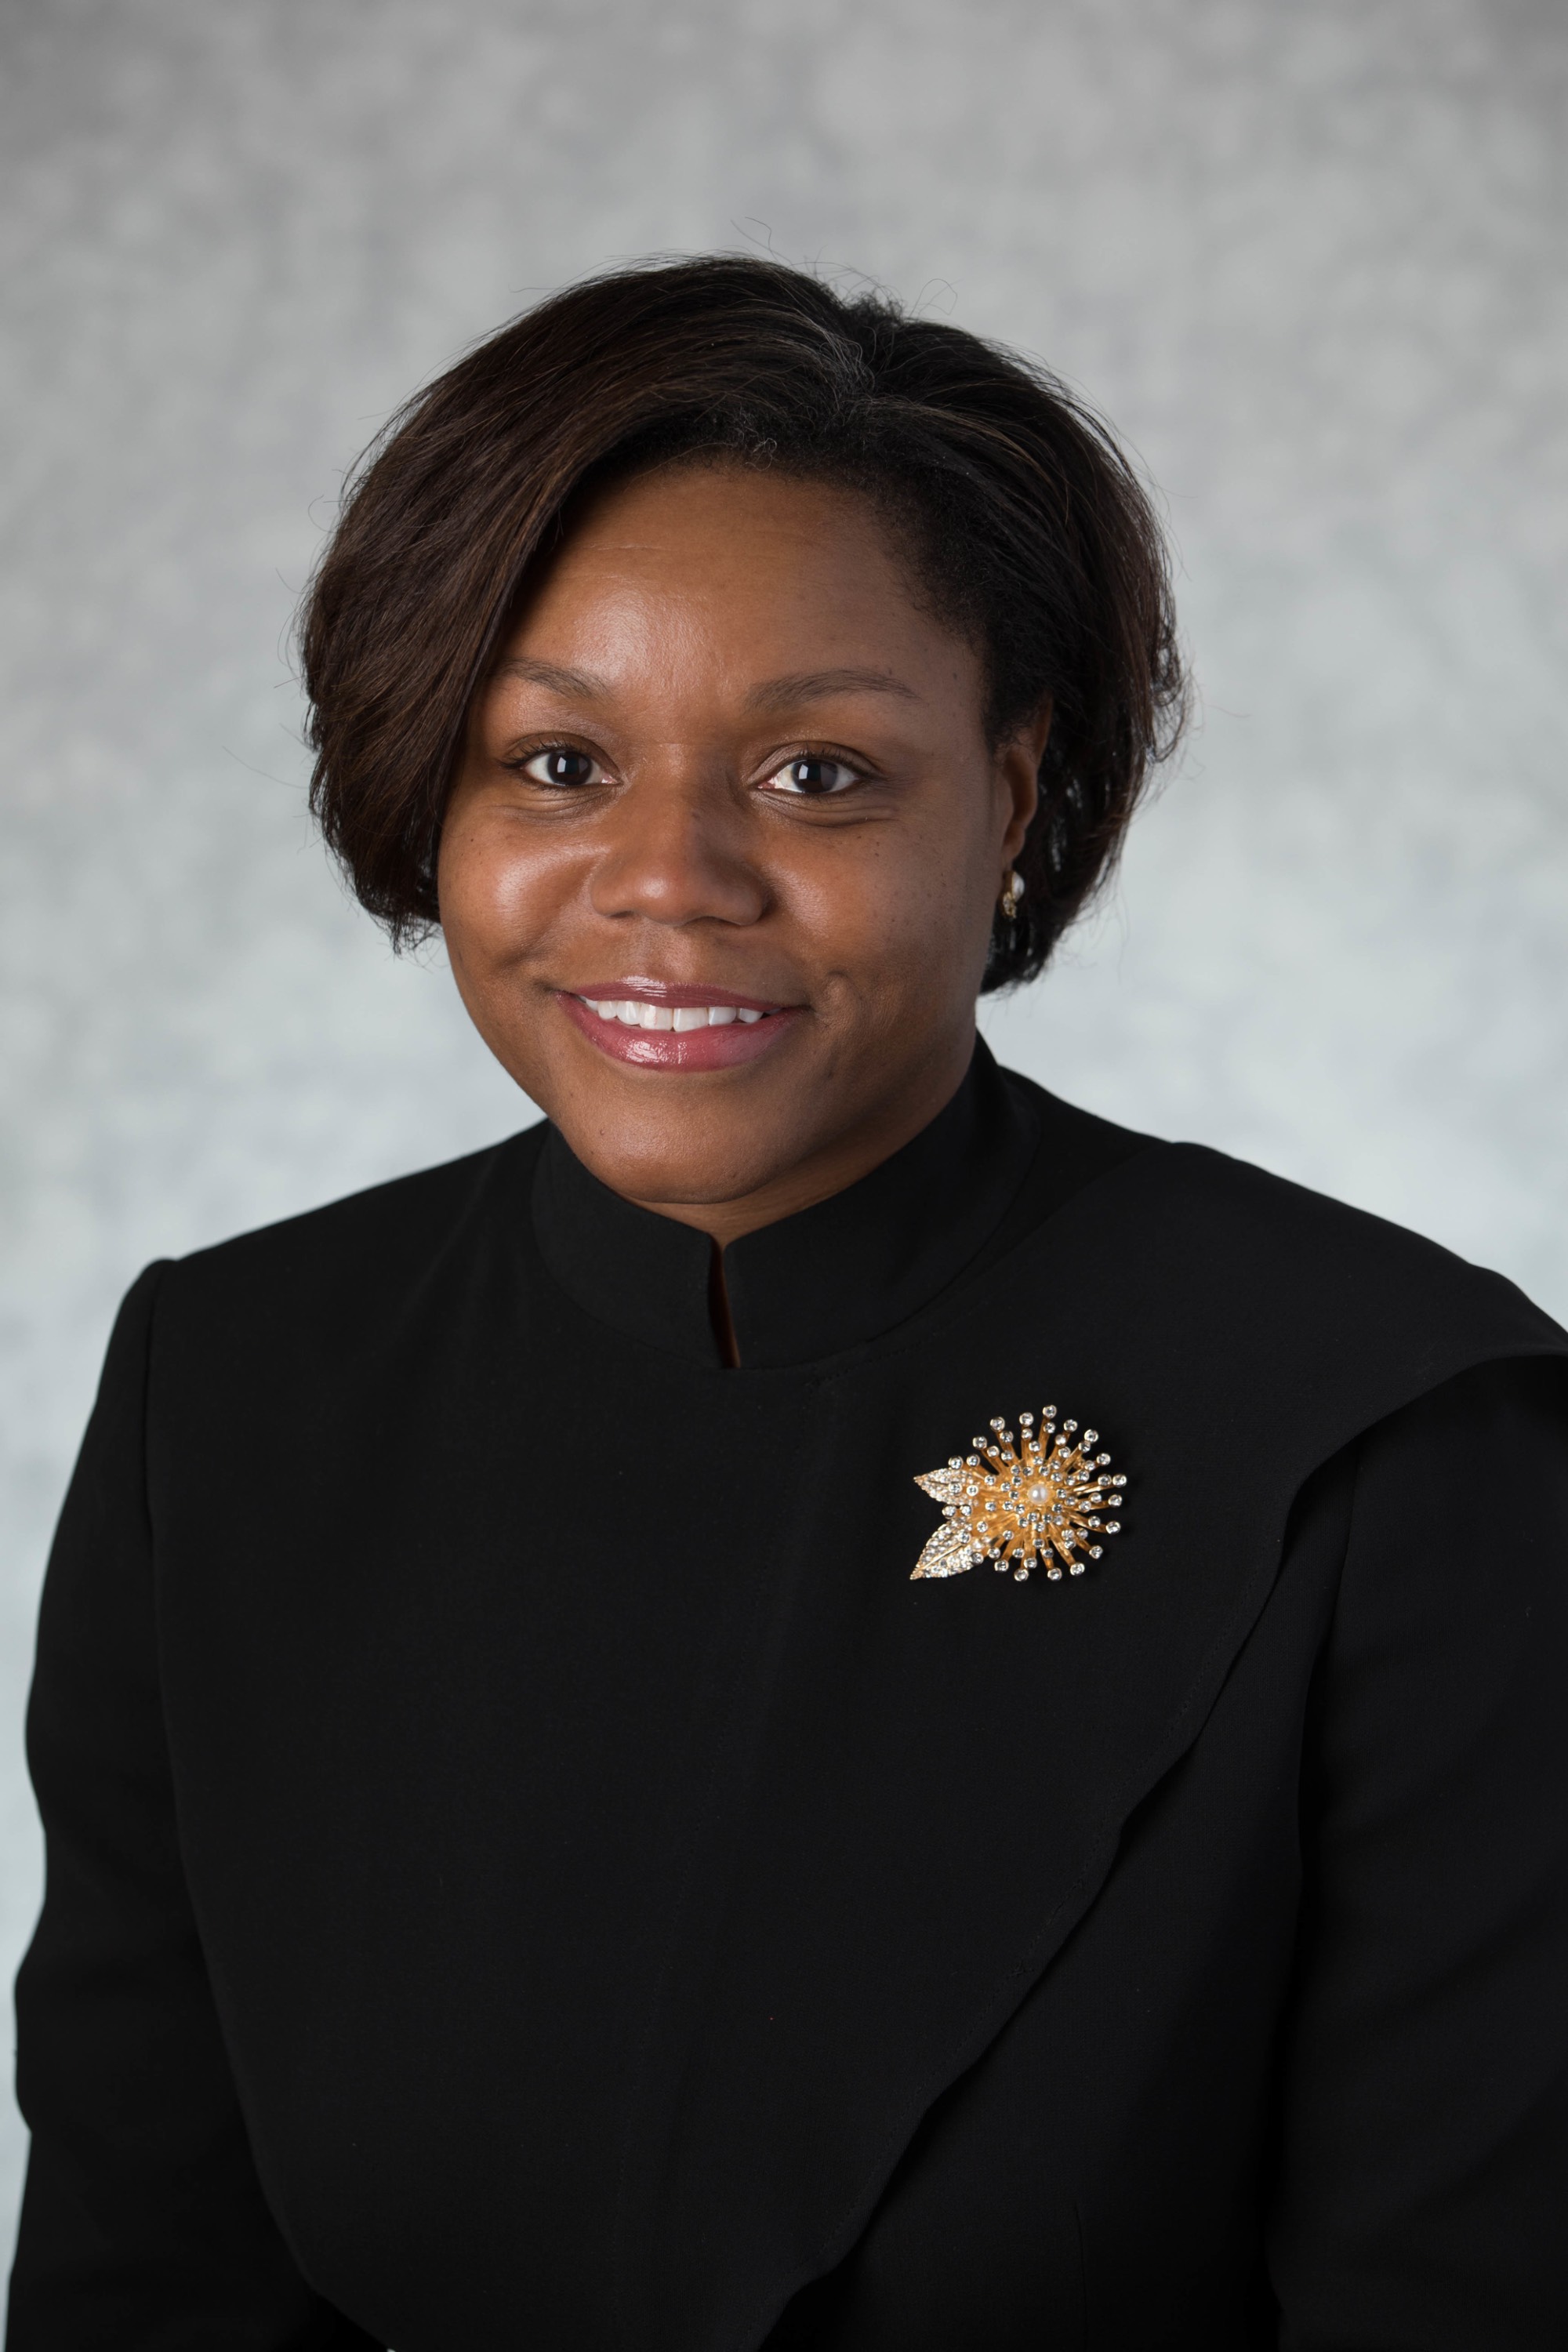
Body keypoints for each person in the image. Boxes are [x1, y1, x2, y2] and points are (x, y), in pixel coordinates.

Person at [8, 256, 1566, 2352]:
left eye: (818, 773)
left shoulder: (1399, 1436)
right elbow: (138, 2291)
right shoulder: (231, 1393)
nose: (670, 878)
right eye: (558, 763)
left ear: (1014, 796)